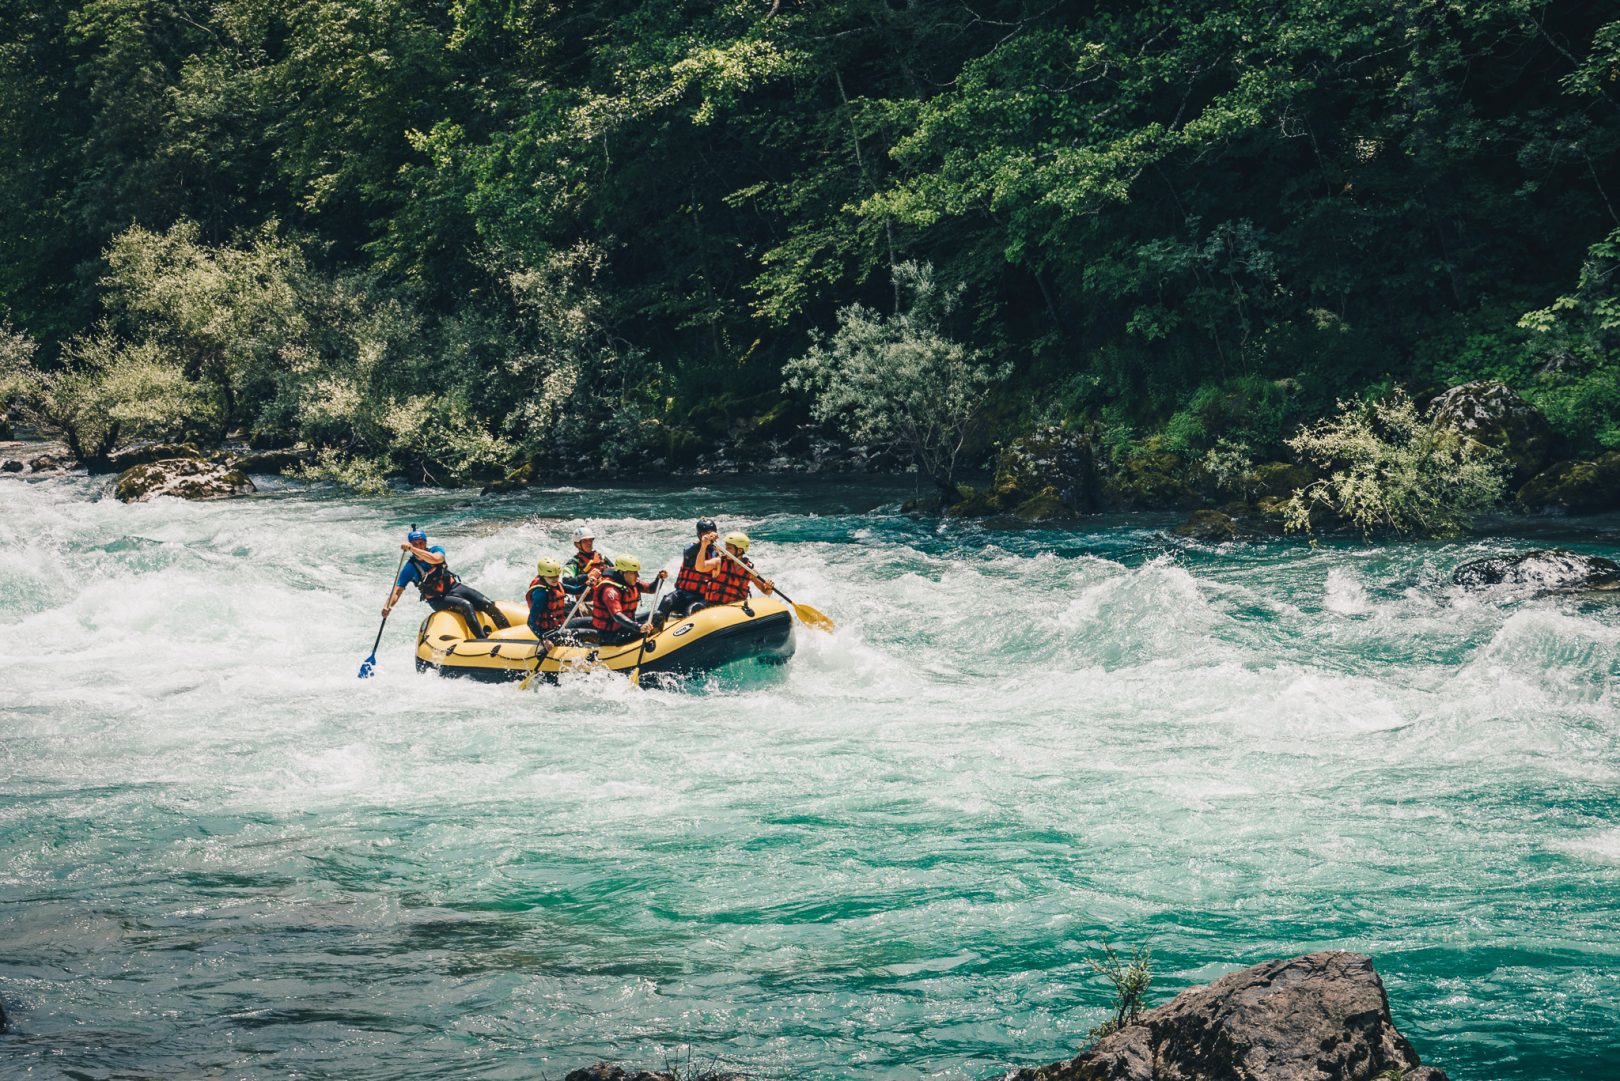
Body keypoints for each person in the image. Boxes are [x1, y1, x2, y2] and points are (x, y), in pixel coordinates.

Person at [383, 526, 509, 639]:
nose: (419, 546)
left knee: (487, 603)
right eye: (415, 544)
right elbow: (398, 590)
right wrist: (388, 606)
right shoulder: (409, 568)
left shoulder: (436, 550)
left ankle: (509, 633)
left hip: (454, 587)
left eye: (421, 543)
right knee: (466, 605)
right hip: (437, 599)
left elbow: (436, 559)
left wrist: (412, 549)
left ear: (426, 543)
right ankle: (482, 641)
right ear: (411, 545)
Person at [574, 554, 667, 645]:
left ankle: (652, 639)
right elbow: (617, 616)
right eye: (633, 572)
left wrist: (659, 579)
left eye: (636, 572)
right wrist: (639, 627)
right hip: (611, 635)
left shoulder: (630, 581)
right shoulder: (610, 590)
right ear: (622, 572)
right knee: (645, 626)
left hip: (626, 626)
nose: (637, 575)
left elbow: (651, 589)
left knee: (657, 615)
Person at [659, 518, 721, 622]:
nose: (707, 536)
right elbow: (688, 553)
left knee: (693, 609)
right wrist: (703, 543)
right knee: (667, 600)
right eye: (705, 534)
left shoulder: (715, 553)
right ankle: (655, 627)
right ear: (699, 535)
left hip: (700, 597)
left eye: (710, 533)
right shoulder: (690, 548)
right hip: (682, 593)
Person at [525, 556, 584, 653]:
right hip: (549, 633)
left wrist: (588, 582)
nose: (555, 579)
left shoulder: (556, 584)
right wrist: (544, 639)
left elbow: (576, 590)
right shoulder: (541, 595)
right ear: (543, 575)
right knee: (587, 633)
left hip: (559, 626)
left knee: (590, 622)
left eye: (557, 576)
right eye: (551, 577)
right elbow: (530, 622)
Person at [701, 531, 774, 606]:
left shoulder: (749, 571)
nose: (725, 551)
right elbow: (700, 567)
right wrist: (703, 546)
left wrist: (769, 588)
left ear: (739, 551)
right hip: (715, 606)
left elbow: (766, 591)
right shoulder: (720, 562)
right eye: (726, 547)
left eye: (729, 548)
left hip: (736, 610)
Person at [562, 525, 612, 589]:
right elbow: (566, 582)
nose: (589, 543)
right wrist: (587, 576)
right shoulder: (573, 563)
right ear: (577, 544)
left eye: (590, 540)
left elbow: (615, 573)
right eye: (584, 541)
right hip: (586, 596)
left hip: (604, 594)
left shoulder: (602, 558)